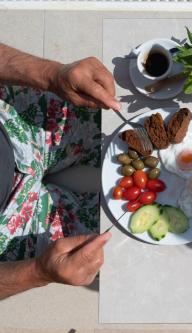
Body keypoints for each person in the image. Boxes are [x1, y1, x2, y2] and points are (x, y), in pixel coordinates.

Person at [0, 43, 120, 299]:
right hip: (10, 228)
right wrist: (39, 271)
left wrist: (53, 74)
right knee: (118, 252)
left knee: (122, 112)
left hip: (11, 122)